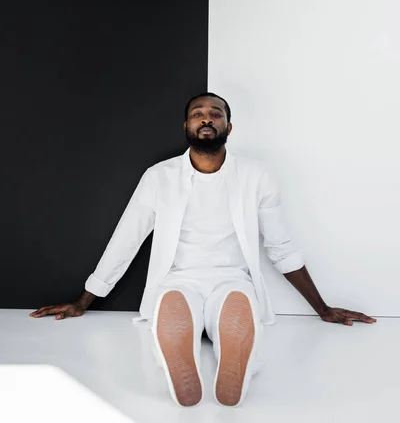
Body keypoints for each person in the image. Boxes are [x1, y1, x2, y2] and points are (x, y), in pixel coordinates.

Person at [30, 92, 377, 407]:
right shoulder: (159, 177)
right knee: (174, 306)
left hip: (233, 281)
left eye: (216, 113)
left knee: (237, 309)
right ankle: (179, 357)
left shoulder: (256, 176)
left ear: (229, 126)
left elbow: (281, 246)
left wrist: (322, 308)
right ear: (186, 126)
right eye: (198, 114)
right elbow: (126, 239)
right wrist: (83, 301)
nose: (207, 118)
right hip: (177, 280)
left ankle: (235, 360)